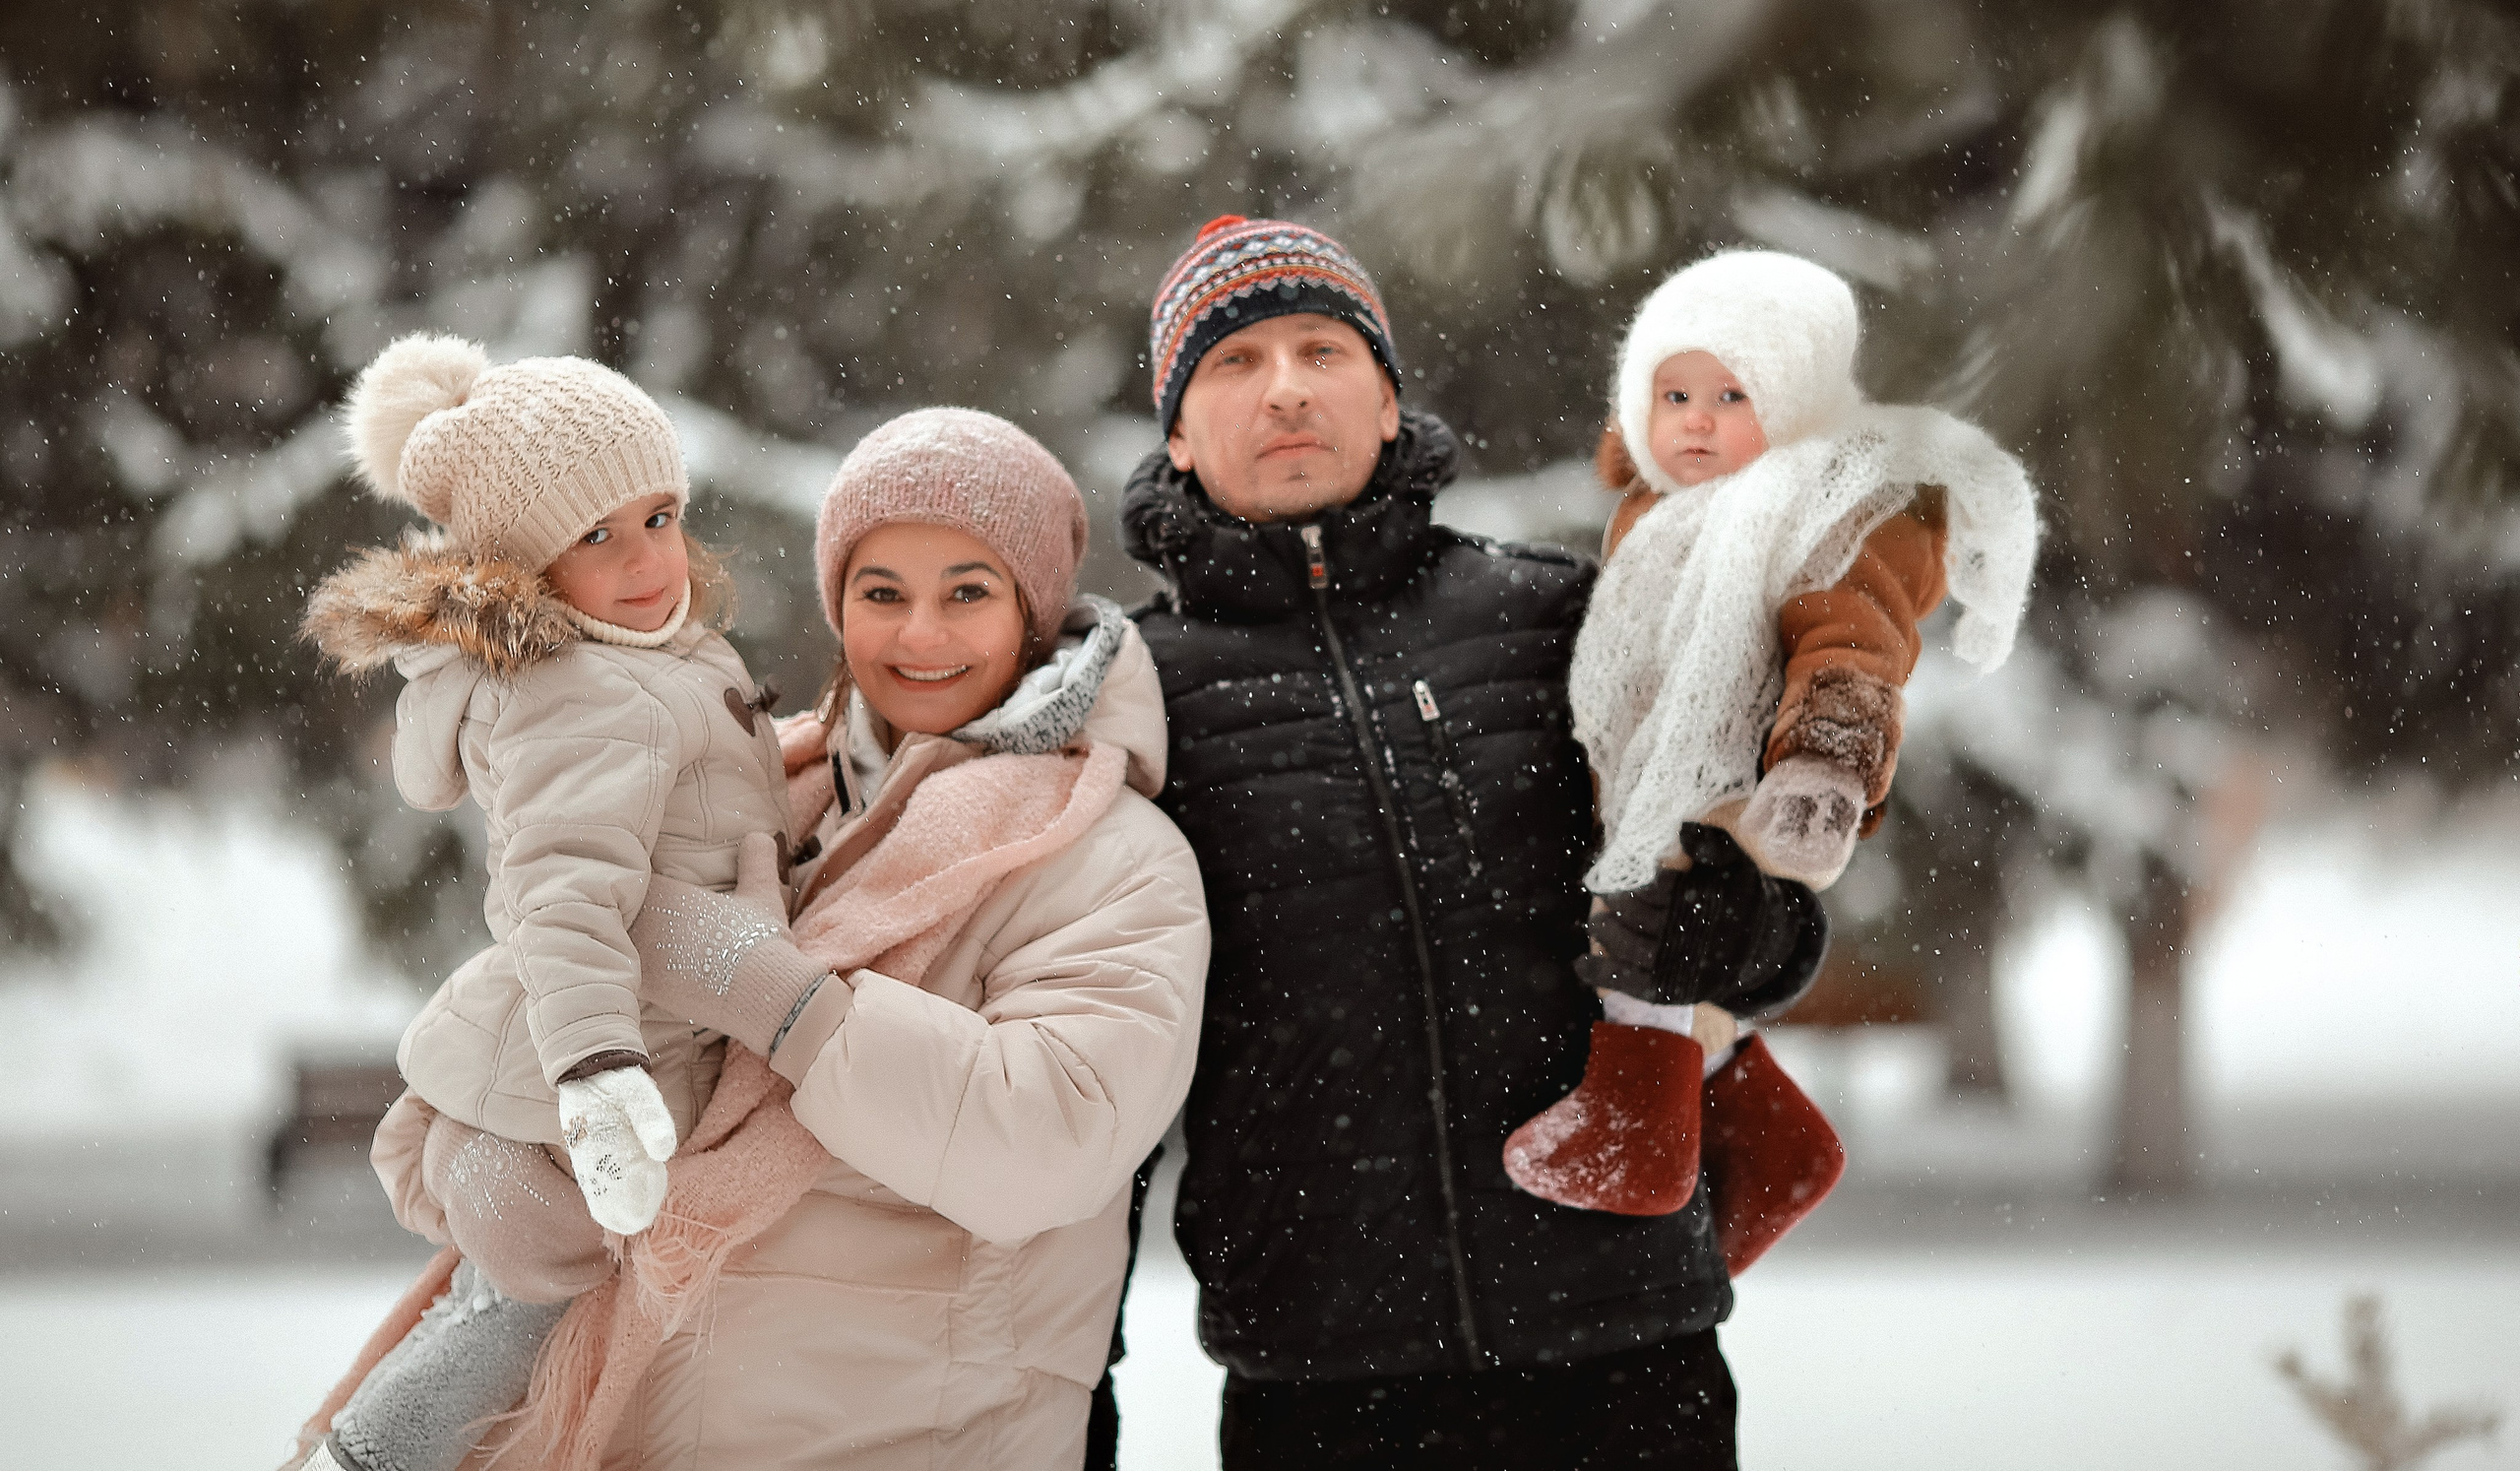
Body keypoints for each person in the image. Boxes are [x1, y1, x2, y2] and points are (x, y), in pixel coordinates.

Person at [466, 406, 1210, 1469]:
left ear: (1033, 612)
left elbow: (1043, 1144)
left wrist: (782, 1000)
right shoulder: (765, 792)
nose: (920, 636)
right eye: (882, 594)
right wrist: (471, 1153)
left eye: (967, 592)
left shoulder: (1108, 853)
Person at [1116, 215, 1732, 1467]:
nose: (1284, 386)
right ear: (1178, 434)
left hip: (1622, 1344)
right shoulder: (1129, 696)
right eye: (1231, 363)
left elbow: (1754, 899)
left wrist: (1745, 924)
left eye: (1320, 350)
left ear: (1388, 401)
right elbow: (1083, 1036)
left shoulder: (1559, 614)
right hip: (1322, 1375)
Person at [293, 335, 791, 1471]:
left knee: (528, 1319)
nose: (645, 558)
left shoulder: (645, 658)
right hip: (572, 1096)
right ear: (524, 563)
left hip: (591, 1068)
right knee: (521, 1316)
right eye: (596, 535)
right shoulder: (587, 694)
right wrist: (593, 1071)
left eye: (658, 516)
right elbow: (563, 896)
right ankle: (368, 1458)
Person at [1501, 248, 2040, 1229]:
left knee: (1647, 937)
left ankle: (1640, 1137)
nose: (1696, 419)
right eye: (1673, 393)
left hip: (1741, 776)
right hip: (1660, 768)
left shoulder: (1824, 514)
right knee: (1646, 943)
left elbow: (1854, 644)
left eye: (1732, 393)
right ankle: (1767, 1141)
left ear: (1796, 405)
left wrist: (1824, 766)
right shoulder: (1660, 515)